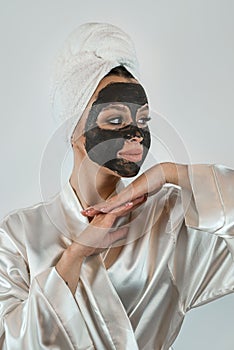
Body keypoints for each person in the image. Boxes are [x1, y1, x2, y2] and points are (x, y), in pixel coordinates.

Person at [0, 22, 234, 350]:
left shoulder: (168, 220)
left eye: (143, 120)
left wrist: (169, 172)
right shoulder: (18, 234)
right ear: (72, 130)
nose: (135, 133)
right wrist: (75, 255)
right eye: (114, 120)